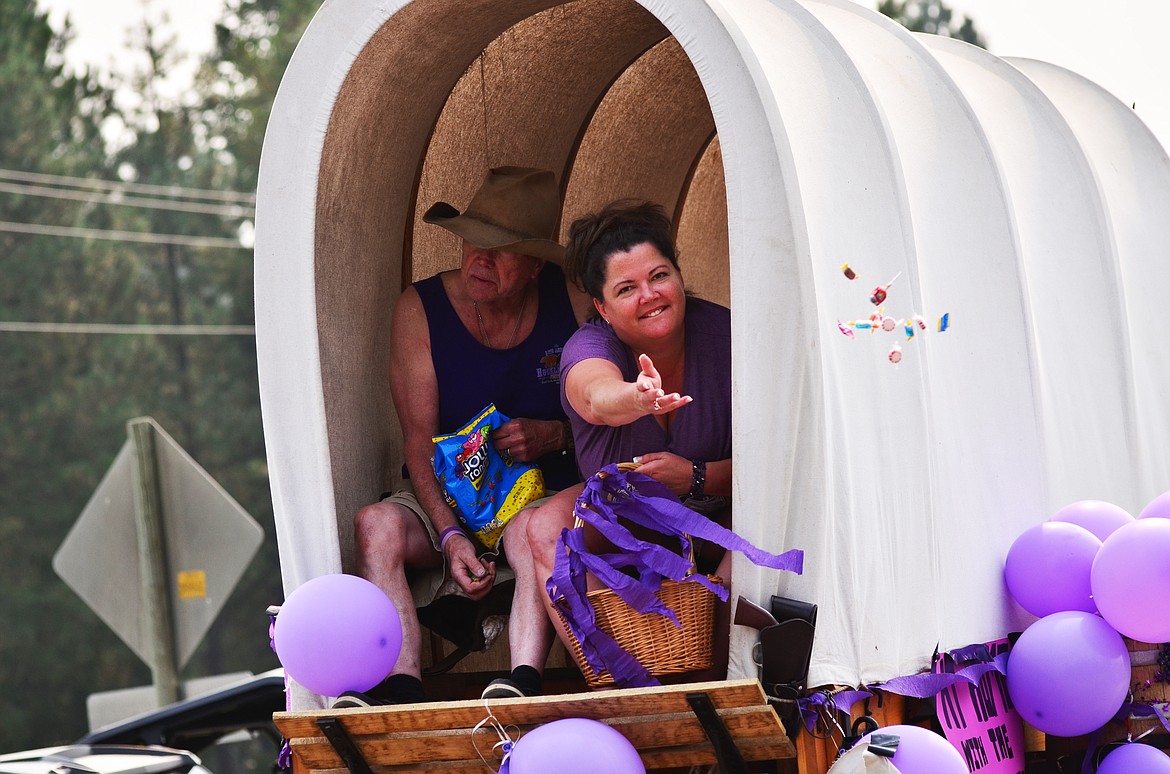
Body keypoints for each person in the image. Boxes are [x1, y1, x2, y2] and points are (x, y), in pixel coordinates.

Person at [336, 167, 590, 706]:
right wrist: (450, 537)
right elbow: (418, 442)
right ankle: (401, 689)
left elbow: (613, 416)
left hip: (539, 500)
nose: (481, 258)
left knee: (531, 532)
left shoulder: (572, 303)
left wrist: (556, 434)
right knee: (375, 525)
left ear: (537, 263)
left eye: (501, 249)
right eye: (472, 241)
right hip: (446, 497)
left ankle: (522, 684)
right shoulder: (420, 309)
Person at [526, 199, 733, 674]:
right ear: (602, 307)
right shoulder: (591, 346)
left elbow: (778, 464)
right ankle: (621, 682)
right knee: (545, 528)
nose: (650, 295)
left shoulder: (726, 334)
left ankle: (721, 683)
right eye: (626, 288)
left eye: (659, 276)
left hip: (721, 511)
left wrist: (697, 476)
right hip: (626, 521)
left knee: (762, 520)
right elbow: (596, 395)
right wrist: (637, 397)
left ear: (680, 277)